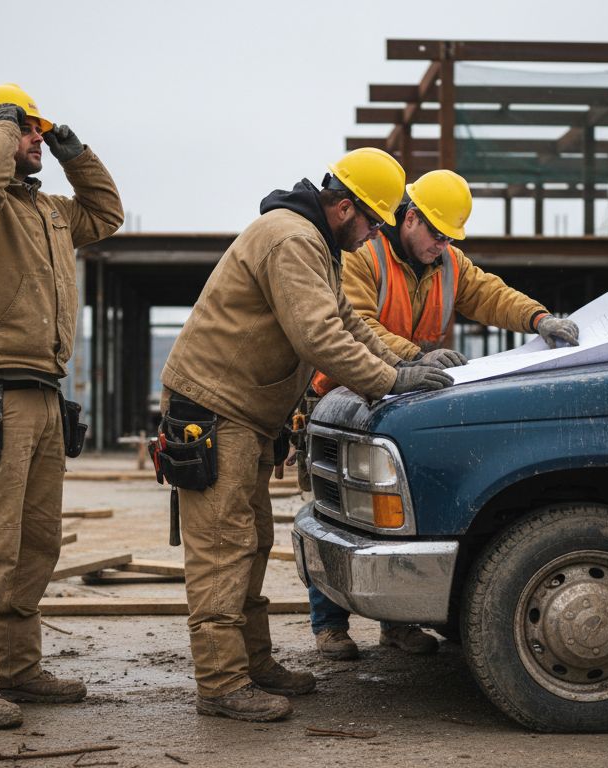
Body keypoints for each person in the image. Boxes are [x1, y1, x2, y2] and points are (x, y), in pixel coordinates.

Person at [159, 148, 456, 723]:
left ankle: (251, 663)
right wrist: (392, 379)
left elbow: (345, 321)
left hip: (242, 413)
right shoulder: (292, 240)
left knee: (250, 541)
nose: (374, 234)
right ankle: (221, 684)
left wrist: (402, 365)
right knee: (223, 549)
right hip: (216, 410)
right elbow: (321, 338)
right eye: (371, 221)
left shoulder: (312, 243)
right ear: (344, 208)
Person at [308, 169, 579, 661]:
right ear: (409, 217)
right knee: (340, 509)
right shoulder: (362, 256)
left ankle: (397, 625)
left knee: (398, 512)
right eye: (436, 233)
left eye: (449, 237)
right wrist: (413, 355)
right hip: (345, 396)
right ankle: (329, 626)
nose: (442, 245)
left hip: (408, 396)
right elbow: (357, 324)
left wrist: (540, 318)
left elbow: (491, 293)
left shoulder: (448, 262)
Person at [0, 83, 123, 729]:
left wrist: (75, 152)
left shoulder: (49, 213)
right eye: (31, 132)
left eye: (43, 131)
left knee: (35, 546)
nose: (39, 139)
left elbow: (108, 212)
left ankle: (18, 669)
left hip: (43, 393)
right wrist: (5, 124)